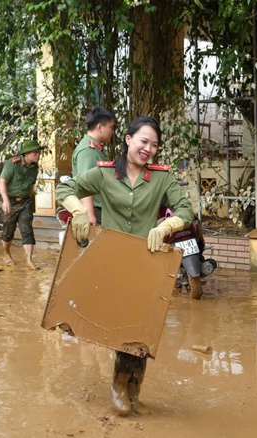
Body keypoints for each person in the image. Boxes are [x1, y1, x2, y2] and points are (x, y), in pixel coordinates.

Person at [55, 116, 193, 415]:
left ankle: (134, 390)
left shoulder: (162, 178)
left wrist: (165, 225)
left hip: (148, 262)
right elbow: (64, 189)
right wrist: (78, 211)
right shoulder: (104, 175)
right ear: (128, 139)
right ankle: (120, 386)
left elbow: (185, 209)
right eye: (143, 141)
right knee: (124, 327)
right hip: (115, 262)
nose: (149, 149)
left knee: (144, 327)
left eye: (154, 145)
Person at [0, 139, 42, 269]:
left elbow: (31, 185)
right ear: (27, 154)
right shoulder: (12, 164)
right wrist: (5, 200)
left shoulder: (35, 168)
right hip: (10, 201)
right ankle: (6, 254)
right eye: (35, 153)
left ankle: (29, 260)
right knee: (8, 230)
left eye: (38, 152)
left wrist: (30, 198)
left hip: (25, 201)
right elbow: (2, 182)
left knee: (27, 229)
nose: (38, 155)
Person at [72, 107, 117, 225]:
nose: (112, 131)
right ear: (100, 127)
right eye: (111, 127)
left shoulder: (95, 149)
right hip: (95, 210)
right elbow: (85, 184)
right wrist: (90, 216)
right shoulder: (89, 151)